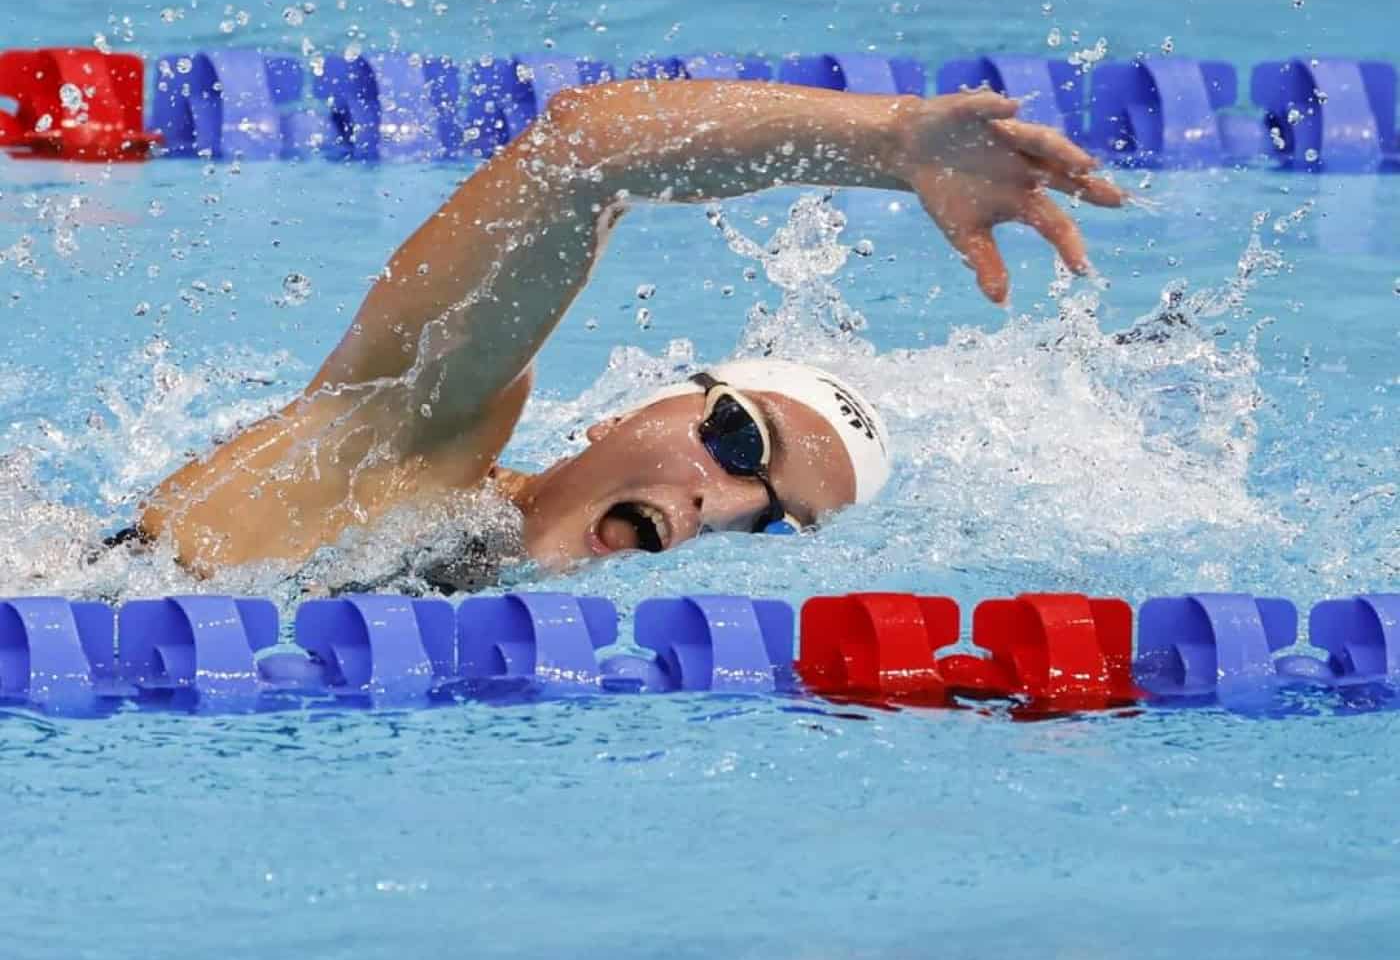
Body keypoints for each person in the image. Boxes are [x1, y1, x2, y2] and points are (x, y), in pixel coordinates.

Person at [125, 78, 1125, 586]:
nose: (719, 499)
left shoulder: (503, 613)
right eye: (736, 439)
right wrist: (888, 140)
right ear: (625, 414)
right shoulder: (411, 446)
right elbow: (583, 149)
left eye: (769, 514)